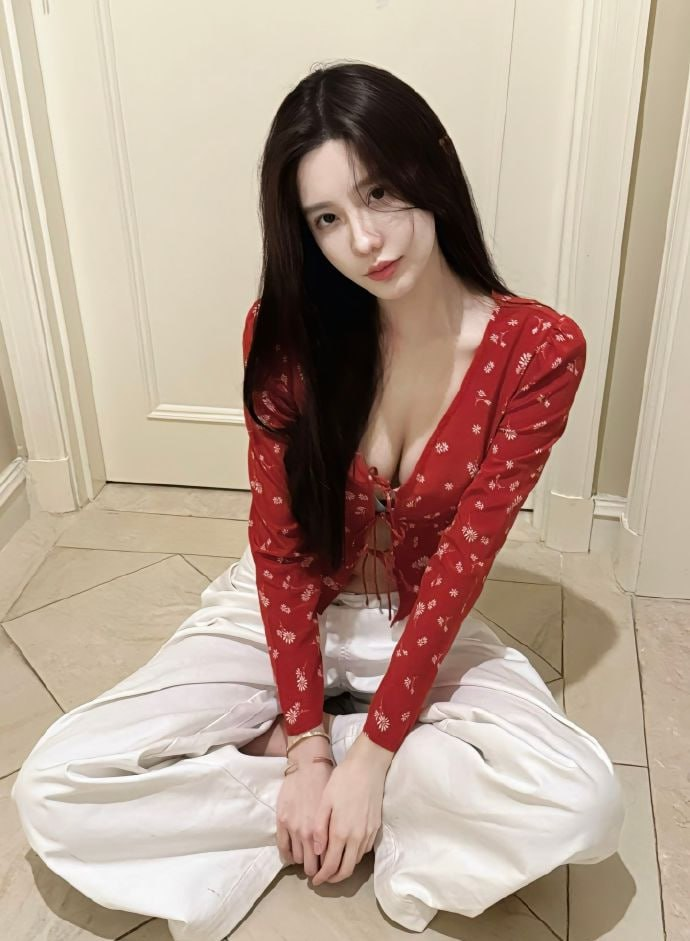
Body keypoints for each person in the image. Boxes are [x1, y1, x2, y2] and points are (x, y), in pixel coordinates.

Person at [11, 61, 624, 941]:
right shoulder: (287, 335)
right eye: (327, 218)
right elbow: (280, 552)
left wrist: (370, 753)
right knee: (56, 785)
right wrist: (305, 746)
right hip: (285, 608)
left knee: (582, 803)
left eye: (379, 193)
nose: (365, 239)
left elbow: (462, 564)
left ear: (431, 164)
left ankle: (329, 788)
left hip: (423, 616)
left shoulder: (538, 350)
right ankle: (330, 792)